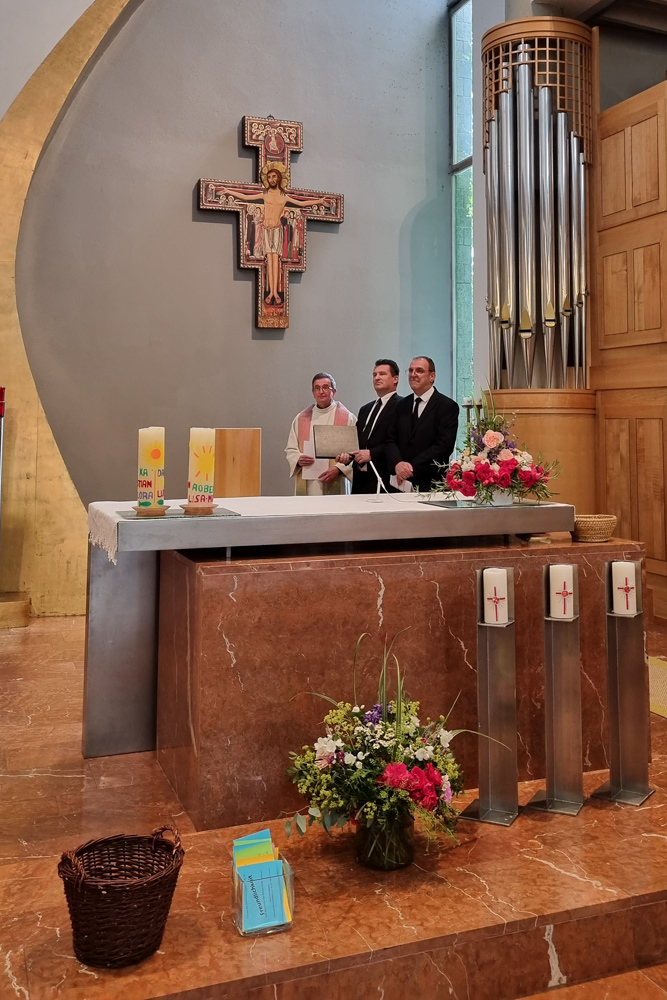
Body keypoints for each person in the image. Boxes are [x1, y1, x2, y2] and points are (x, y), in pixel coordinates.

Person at [219, 163, 327, 307]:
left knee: (276, 261)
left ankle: (275, 292)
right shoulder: (265, 194)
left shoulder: (284, 196)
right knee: (269, 261)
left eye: (274, 176)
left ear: (279, 177)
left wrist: (319, 201)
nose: (271, 179)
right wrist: (228, 191)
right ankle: (270, 292)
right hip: (265, 229)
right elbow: (245, 197)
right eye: (269, 177)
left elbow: (301, 204)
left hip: (276, 229)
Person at [385, 356, 459, 492]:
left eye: (419, 371)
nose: (413, 375)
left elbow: (444, 445)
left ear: (432, 376)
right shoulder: (401, 405)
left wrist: (411, 467)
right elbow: (390, 439)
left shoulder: (447, 406)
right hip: (399, 483)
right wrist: (398, 463)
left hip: (430, 483)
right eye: (410, 370)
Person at [285, 373, 357, 496]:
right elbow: (291, 449)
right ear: (313, 393)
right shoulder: (301, 418)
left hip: (336, 478)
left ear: (334, 392)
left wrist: (339, 469)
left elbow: (355, 451)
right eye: (317, 388)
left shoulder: (348, 418)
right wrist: (298, 459)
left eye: (325, 387)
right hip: (308, 481)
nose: (321, 392)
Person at [348, 359, 403, 494]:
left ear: (395, 379)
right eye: (374, 374)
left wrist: (372, 454)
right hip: (361, 480)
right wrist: (346, 455)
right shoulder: (365, 409)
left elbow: (401, 442)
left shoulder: (402, 406)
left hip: (385, 478)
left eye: (382, 374)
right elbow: (358, 441)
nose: (377, 378)